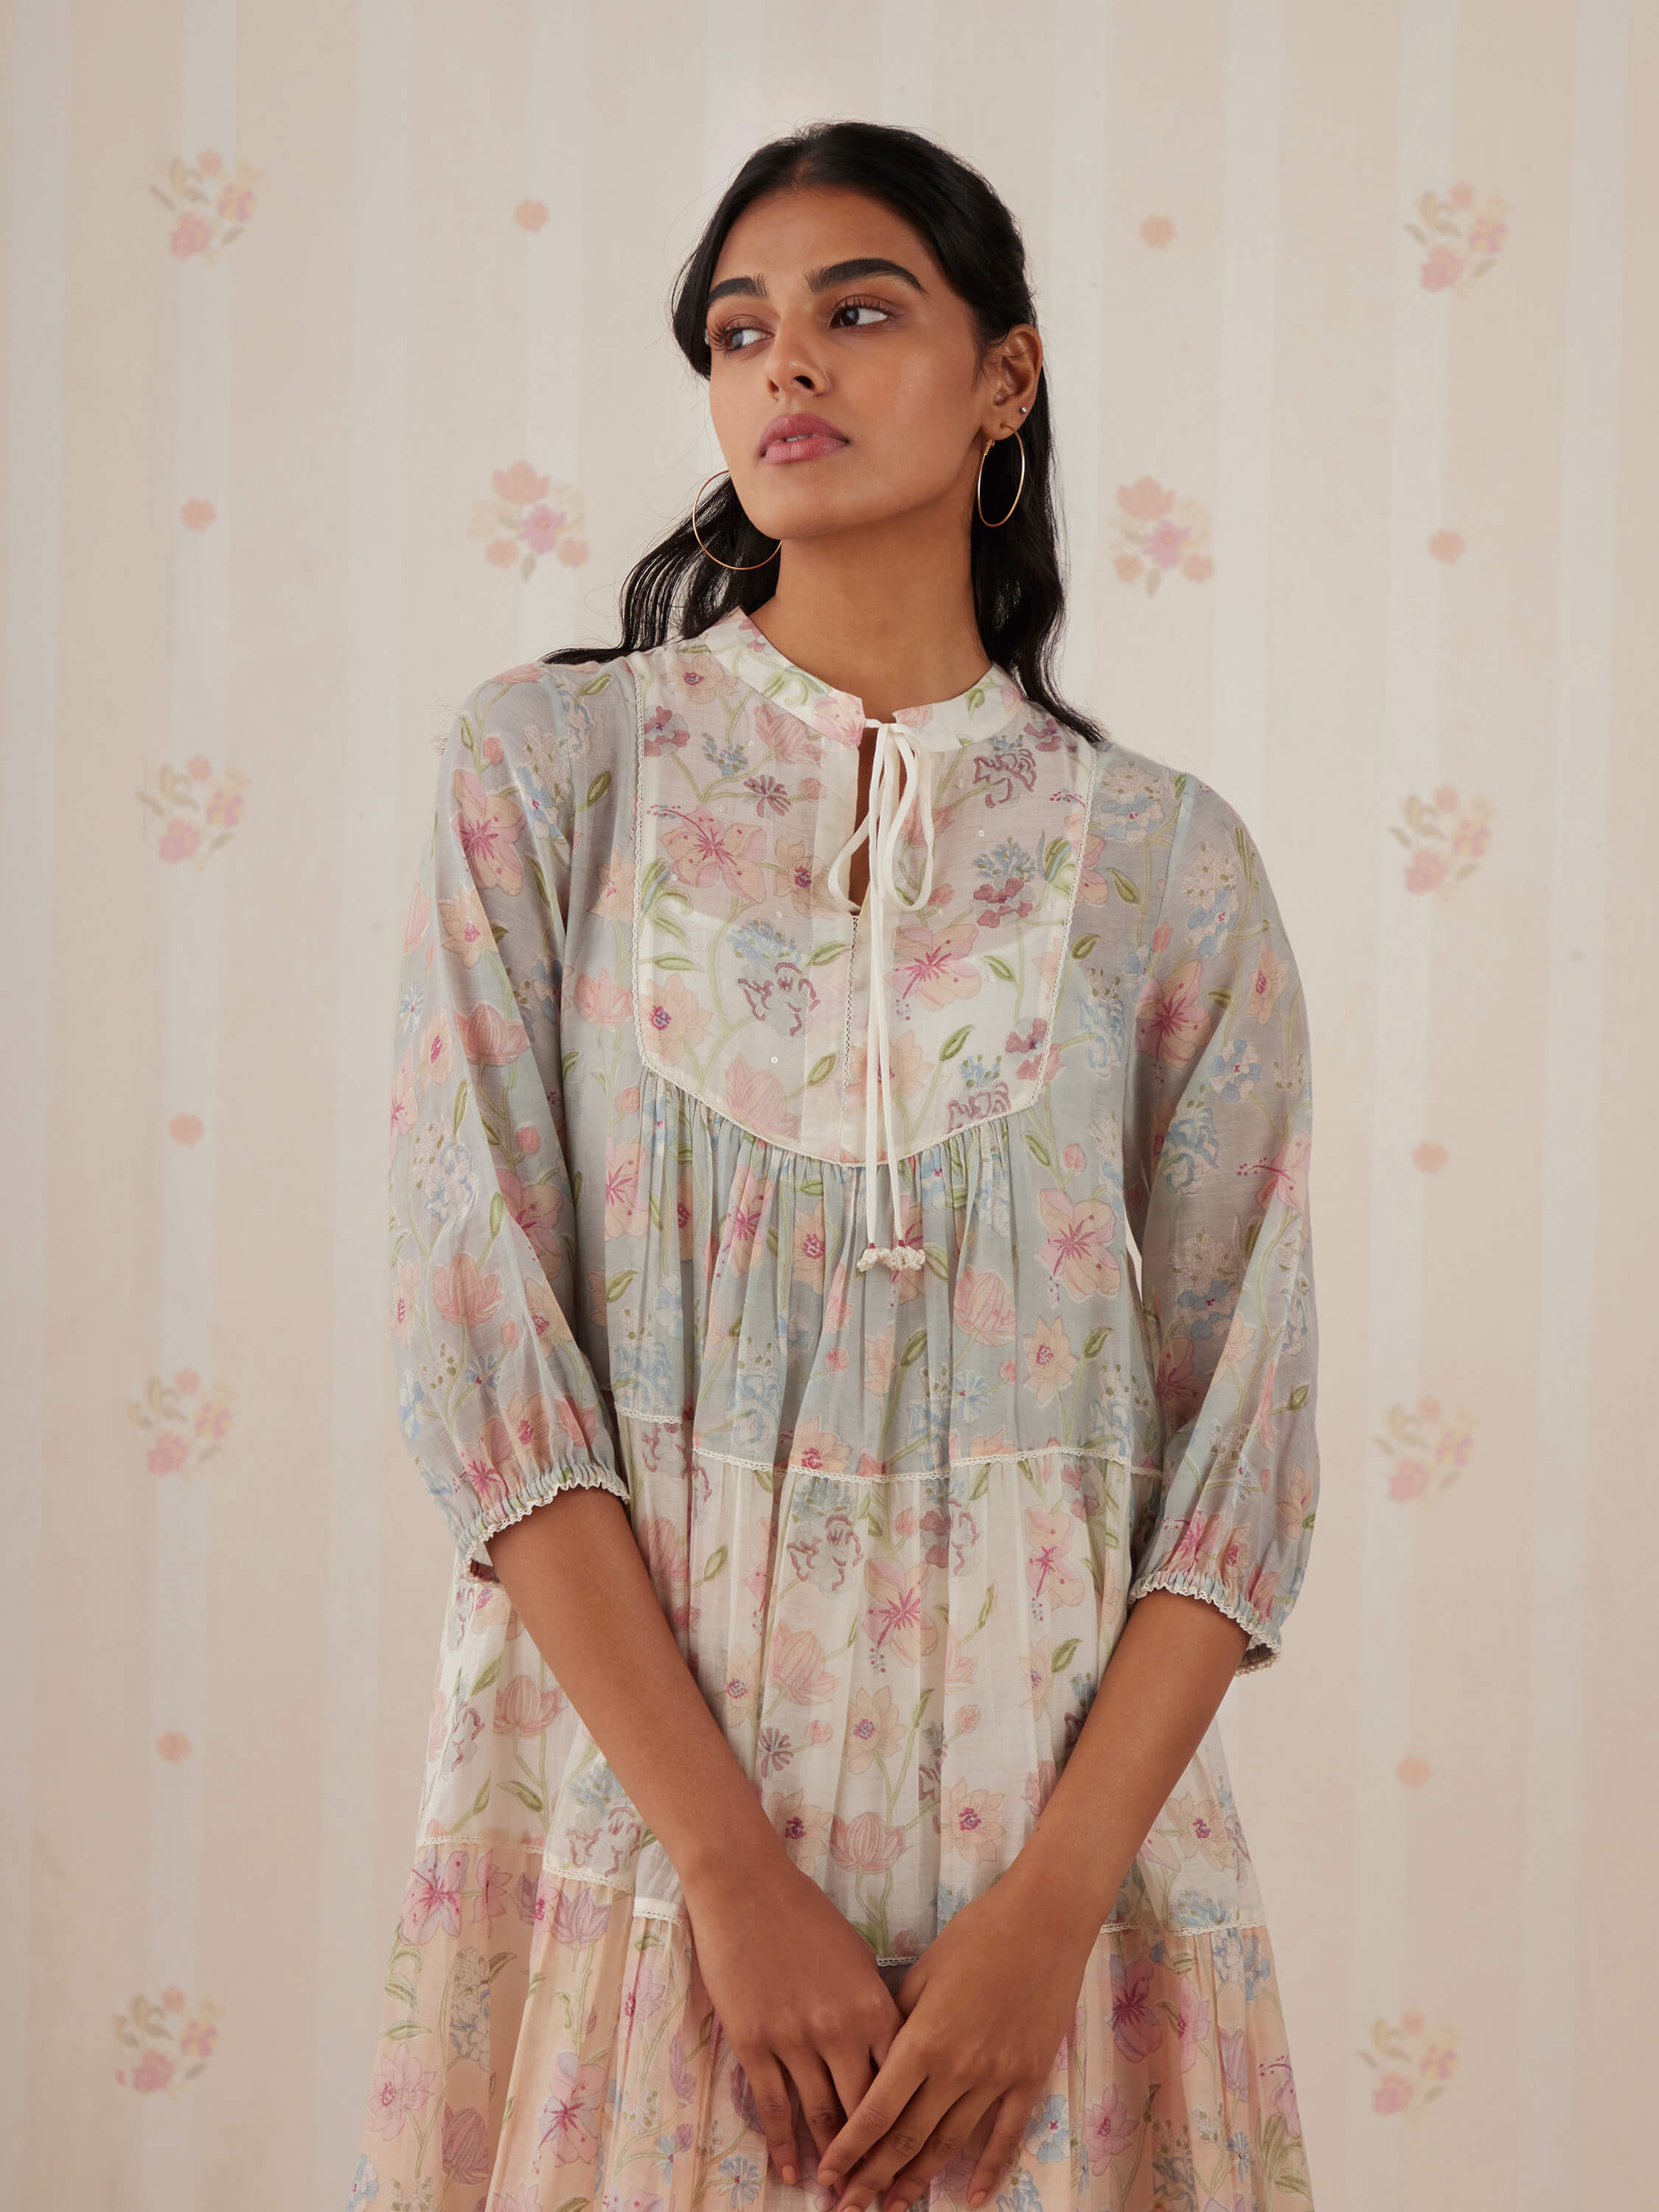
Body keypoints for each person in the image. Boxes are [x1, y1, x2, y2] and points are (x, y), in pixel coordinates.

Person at [355, 117, 1319, 2212]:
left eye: (857, 311)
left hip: (1049, 1901)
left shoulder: (1168, 869)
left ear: (1005, 378)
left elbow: (1234, 1452)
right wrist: (728, 1875)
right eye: (737, 329)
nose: (783, 364)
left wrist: (1047, 1920)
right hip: (643, 1855)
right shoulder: (547, 775)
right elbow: (483, 1347)